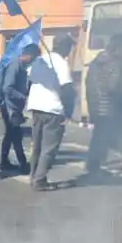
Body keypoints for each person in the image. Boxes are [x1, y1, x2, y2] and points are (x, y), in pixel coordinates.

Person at [27, 35, 76, 192]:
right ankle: (40, 180)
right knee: (49, 147)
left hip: (36, 107)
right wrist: (68, 112)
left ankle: (33, 175)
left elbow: (29, 79)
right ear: (65, 48)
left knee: (37, 146)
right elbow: (67, 90)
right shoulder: (61, 64)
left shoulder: (40, 60)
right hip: (53, 109)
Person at [83, 33, 122, 176]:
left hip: (95, 104)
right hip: (109, 105)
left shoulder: (96, 62)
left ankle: (93, 164)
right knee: (104, 136)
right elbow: (113, 86)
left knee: (98, 135)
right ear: (118, 48)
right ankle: (97, 165)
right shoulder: (114, 64)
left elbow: (89, 83)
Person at [0, 44, 41, 174]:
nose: (34, 60)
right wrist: (23, 97)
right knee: (16, 136)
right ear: (28, 55)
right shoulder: (15, 66)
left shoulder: (22, 67)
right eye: (34, 57)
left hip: (14, 107)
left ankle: (5, 161)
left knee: (11, 136)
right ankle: (22, 163)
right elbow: (7, 88)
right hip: (10, 107)